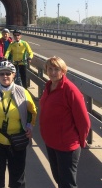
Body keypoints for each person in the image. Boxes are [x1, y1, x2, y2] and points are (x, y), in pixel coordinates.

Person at [0, 60, 37, 188]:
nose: (5, 76)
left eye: (8, 73)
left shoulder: (23, 92)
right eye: (1, 73)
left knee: (18, 178)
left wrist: (29, 126)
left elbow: (32, 111)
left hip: (17, 142)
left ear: (14, 75)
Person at [39, 56, 91, 188]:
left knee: (67, 183)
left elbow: (84, 121)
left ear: (63, 71)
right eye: (50, 69)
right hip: (51, 142)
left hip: (67, 145)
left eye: (56, 69)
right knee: (58, 178)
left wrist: (81, 139)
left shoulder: (70, 90)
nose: (52, 72)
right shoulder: (49, 86)